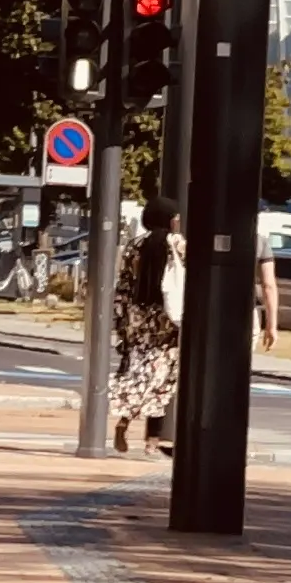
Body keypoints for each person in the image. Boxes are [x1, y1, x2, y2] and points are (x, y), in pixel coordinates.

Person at [111, 194, 182, 454]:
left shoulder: (134, 245)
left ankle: (124, 421)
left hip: (137, 321)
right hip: (166, 321)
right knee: (162, 380)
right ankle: (153, 439)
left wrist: (121, 323)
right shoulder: (177, 244)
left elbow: (124, 285)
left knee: (138, 376)